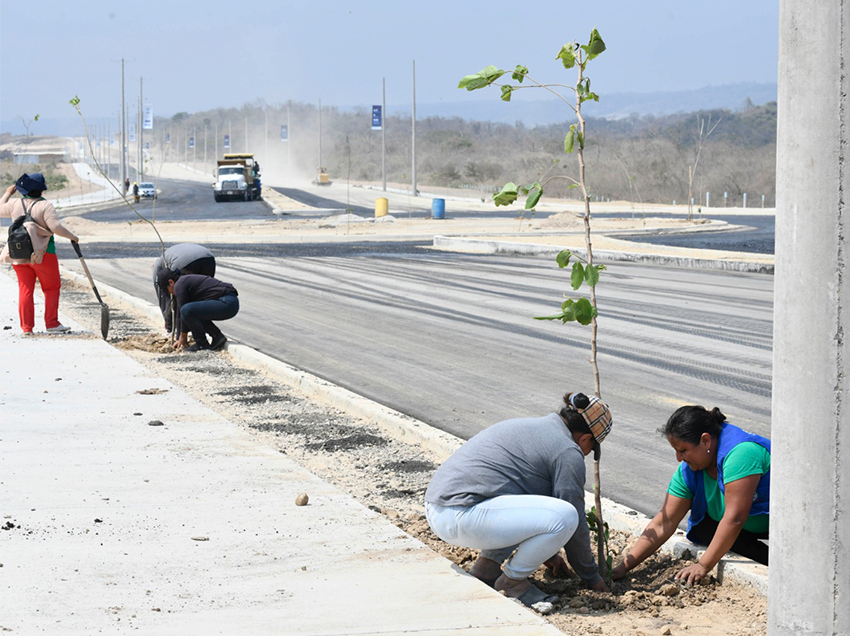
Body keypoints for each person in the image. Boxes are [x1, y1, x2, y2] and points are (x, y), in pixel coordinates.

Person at [424, 392, 613, 608]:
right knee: (567, 515)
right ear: (586, 438)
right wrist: (592, 577)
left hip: (438, 508)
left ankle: (486, 569)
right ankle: (512, 582)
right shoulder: (568, 451)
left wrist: (548, 552)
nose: (587, 454)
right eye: (591, 449)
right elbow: (574, 520)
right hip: (462, 514)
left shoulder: (535, 427)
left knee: (528, 497)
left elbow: (524, 500)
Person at [612, 405, 770, 585]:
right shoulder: (689, 469)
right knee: (703, 527)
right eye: (676, 451)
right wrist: (623, 567)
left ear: (705, 441)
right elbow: (665, 522)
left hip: (785, 522)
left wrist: (703, 565)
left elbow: (735, 518)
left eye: (683, 450)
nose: (679, 458)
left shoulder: (741, 454)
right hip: (748, 524)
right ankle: (769, 562)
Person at [0, 173, 80, 335]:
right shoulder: (45, 206)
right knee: (51, 288)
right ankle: (51, 323)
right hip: (44, 254)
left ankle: (27, 328)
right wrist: (73, 237)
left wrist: (8, 193)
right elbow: (56, 227)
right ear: (41, 191)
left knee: (25, 289)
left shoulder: (15, 203)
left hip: (19, 254)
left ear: (23, 190)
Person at [156, 268, 238, 352]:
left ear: (171, 282)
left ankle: (202, 344)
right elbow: (179, 315)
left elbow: (184, 311)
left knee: (187, 310)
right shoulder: (183, 282)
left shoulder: (179, 285)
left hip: (226, 302)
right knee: (192, 310)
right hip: (230, 303)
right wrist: (179, 337)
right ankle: (217, 336)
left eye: (167, 290)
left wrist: (183, 336)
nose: (169, 293)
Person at [152, 243, 216, 333]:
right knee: (200, 298)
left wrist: (167, 320)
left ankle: (178, 335)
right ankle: (213, 334)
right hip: (208, 258)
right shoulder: (166, 259)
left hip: (186, 262)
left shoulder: (157, 271)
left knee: (180, 298)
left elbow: (163, 296)